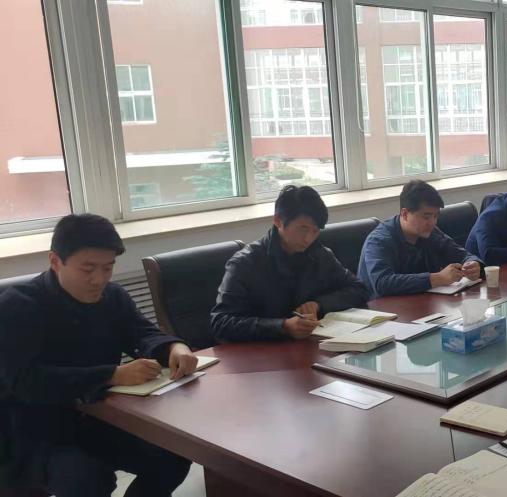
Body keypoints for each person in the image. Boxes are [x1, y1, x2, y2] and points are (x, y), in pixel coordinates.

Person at [0, 214, 196, 497]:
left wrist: (174, 347)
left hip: (98, 417)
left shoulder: (112, 296)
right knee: (88, 479)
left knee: (173, 455)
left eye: (108, 268)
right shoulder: (18, 306)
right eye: (88, 269)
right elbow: (24, 381)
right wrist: (111, 375)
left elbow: (142, 332)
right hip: (34, 429)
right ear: (55, 261)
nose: (99, 279)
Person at [210, 185, 368, 342]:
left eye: (315, 231)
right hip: (263, 351)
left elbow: (358, 289)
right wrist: (282, 326)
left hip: (308, 346)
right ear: (278, 221)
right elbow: (221, 323)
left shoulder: (320, 255)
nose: (308, 238)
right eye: (303, 228)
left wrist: (319, 305)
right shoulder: (245, 263)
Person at [358, 180, 482, 299]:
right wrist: (437, 278)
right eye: (426, 217)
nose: (432, 223)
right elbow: (382, 283)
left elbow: (461, 255)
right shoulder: (379, 241)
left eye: (435, 216)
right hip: (381, 309)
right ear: (404, 214)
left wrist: (473, 264)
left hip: (422, 304)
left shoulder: (430, 233)